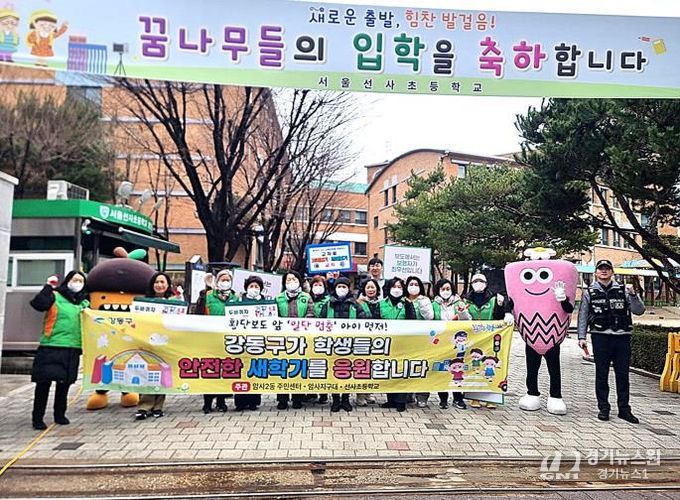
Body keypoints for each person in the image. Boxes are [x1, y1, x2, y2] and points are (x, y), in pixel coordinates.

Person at [577, 259, 645, 424]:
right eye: (601, 269)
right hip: (600, 337)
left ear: (612, 272)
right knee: (601, 374)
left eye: (607, 269)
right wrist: (581, 337)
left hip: (622, 337)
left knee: (623, 375)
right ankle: (603, 408)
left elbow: (639, 310)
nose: (604, 271)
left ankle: (624, 409)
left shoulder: (623, 290)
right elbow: (583, 315)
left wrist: (633, 295)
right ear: (596, 273)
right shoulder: (589, 292)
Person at [29, 271, 88, 430]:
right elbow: (38, 304)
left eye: (81, 281)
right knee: (43, 384)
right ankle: (37, 418)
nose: (77, 283)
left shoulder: (84, 302)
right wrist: (48, 287)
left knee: (64, 384)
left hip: (73, 348)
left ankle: (60, 414)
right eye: (75, 280)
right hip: (51, 346)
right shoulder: (55, 296)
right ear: (67, 281)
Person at [317, 277, 368, 412]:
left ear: (348, 289)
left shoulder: (355, 305)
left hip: (350, 344)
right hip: (332, 343)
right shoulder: (328, 304)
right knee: (333, 371)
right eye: (339, 287)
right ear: (335, 289)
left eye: (344, 287)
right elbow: (320, 322)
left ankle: (345, 399)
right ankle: (335, 399)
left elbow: (363, 322)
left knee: (347, 371)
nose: (341, 289)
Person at [463, 273, 507, 409]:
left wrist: (500, 305)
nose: (478, 283)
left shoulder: (493, 299)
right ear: (471, 284)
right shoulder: (466, 300)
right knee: (474, 367)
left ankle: (491, 398)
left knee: (490, 366)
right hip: (473, 339)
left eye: (481, 281)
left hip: (490, 338)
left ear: (486, 283)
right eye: (475, 281)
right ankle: (474, 397)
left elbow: (499, 317)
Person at [136, 272, 176, 420]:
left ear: (168, 285)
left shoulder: (174, 303)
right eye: (156, 282)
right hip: (146, 342)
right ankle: (144, 406)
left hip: (165, 343)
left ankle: (158, 406)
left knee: (162, 374)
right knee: (146, 373)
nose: (159, 285)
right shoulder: (144, 303)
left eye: (162, 282)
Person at [275, 270, 315, 410]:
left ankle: (298, 398)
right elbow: (274, 316)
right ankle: (282, 399)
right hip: (283, 339)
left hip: (301, 338)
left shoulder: (306, 297)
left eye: (294, 279)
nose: (291, 282)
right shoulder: (279, 298)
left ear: (299, 281)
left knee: (298, 367)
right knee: (282, 368)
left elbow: (311, 313)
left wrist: (301, 326)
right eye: (288, 280)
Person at [201, 269, 239, 413]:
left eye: (228, 280)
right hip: (210, 338)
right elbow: (199, 312)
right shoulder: (208, 295)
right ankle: (207, 402)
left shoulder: (235, 298)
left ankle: (221, 401)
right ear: (217, 281)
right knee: (210, 369)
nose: (225, 282)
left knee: (226, 370)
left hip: (228, 339)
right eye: (222, 279)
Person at [376, 277, 416, 412]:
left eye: (399, 287)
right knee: (388, 370)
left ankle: (401, 401)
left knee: (401, 371)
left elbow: (413, 322)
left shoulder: (407, 303)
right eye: (394, 287)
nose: (396, 289)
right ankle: (391, 399)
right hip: (386, 343)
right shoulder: (381, 304)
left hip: (403, 343)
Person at [432, 278, 470, 410]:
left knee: (457, 368)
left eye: (448, 289)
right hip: (441, 343)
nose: (445, 291)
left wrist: (462, 312)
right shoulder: (434, 304)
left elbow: (468, 320)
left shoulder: (459, 303)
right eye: (443, 289)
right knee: (442, 370)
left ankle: (458, 398)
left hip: (457, 344)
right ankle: (443, 399)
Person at [233, 275, 266, 411]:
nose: (254, 289)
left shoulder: (265, 302)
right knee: (241, 370)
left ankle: (253, 402)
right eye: (251, 286)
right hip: (241, 341)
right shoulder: (239, 301)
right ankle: (240, 402)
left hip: (258, 341)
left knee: (255, 371)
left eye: (256, 286)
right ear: (246, 288)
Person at [403, 276, 437, 408]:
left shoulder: (425, 300)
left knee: (422, 367)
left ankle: (422, 395)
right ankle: (407, 393)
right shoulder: (402, 299)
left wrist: (422, 303)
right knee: (407, 367)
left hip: (422, 340)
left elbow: (430, 317)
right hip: (406, 339)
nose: (413, 286)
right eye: (410, 284)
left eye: (416, 284)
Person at [355, 278, 382, 406]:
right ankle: (360, 395)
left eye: (373, 287)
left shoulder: (381, 303)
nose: (371, 290)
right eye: (368, 287)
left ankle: (368, 393)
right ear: (364, 289)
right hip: (363, 339)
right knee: (362, 367)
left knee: (372, 367)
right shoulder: (358, 303)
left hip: (377, 340)